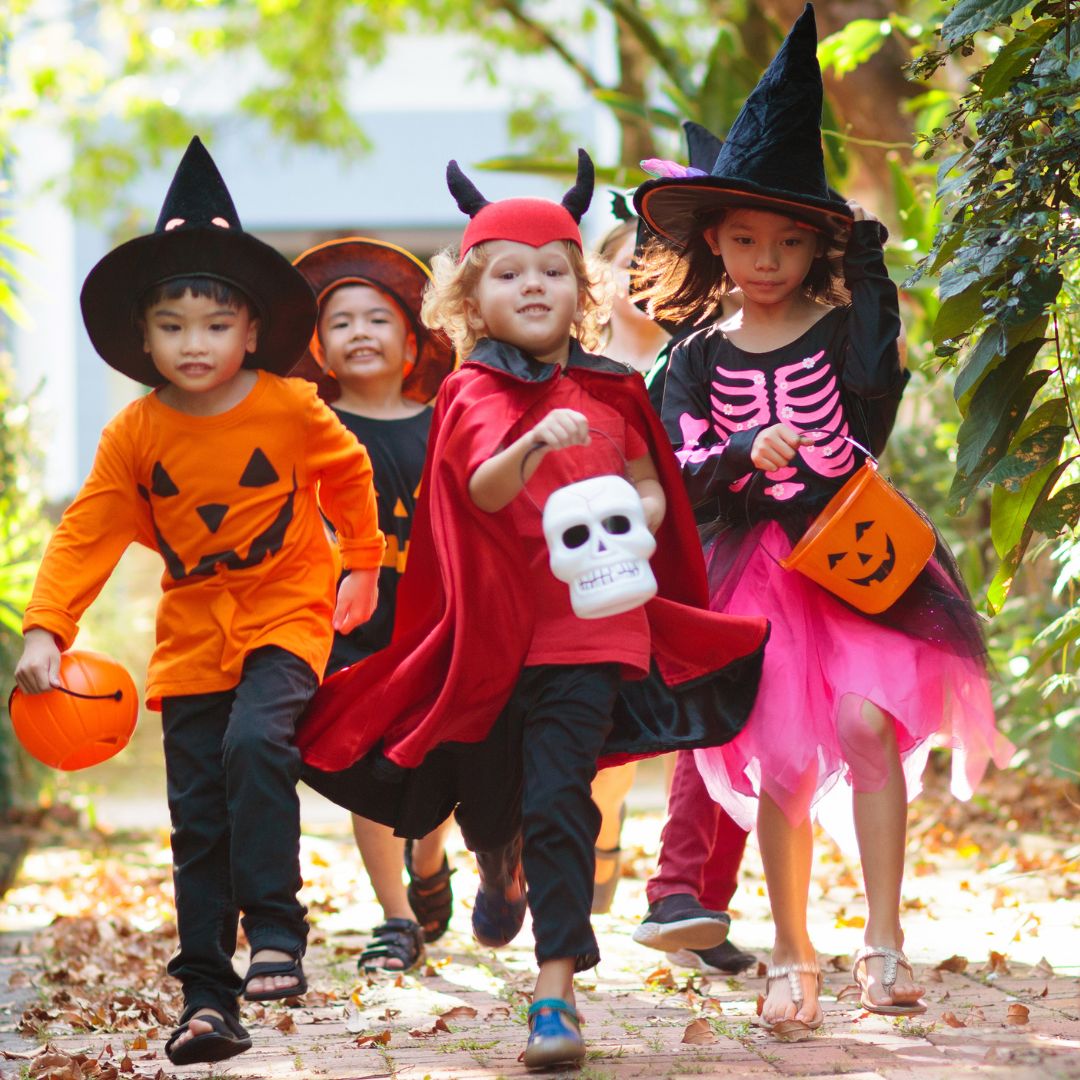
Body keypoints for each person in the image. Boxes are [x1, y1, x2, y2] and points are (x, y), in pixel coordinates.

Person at [294, 150, 770, 1069]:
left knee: (562, 799)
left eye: (554, 266)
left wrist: (645, 518)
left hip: (593, 628)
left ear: (581, 285)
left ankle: (554, 995)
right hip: (492, 634)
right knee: (494, 800)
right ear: (473, 297)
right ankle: (494, 859)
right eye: (509, 271)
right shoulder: (473, 389)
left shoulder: (615, 388)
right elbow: (476, 489)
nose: (535, 284)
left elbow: (651, 487)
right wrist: (533, 442)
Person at [635, 3, 1013, 1036]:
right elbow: (675, 467)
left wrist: (876, 280)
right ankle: (793, 956)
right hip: (757, 572)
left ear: (815, 247)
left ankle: (881, 945)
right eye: (745, 239)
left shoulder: (846, 327)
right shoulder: (697, 353)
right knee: (786, 761)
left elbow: (871, 422)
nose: (764, 259)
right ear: (715, 240)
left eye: (788, 241)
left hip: (855, 554)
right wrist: (734, 462)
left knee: (863, 727)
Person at [13, 138, 386, 1067]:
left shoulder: (293, 409)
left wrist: (364, 564)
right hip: (190, 631)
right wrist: (46, 627)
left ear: (251, 332)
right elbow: (88, 531)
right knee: (198, 810)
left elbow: (347, 477)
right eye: (173, 326)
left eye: (215, 325)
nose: (194, 343)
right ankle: (208, 1000)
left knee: (257, 742)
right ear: (144, 338)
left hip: (288, 607)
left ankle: (275, 928)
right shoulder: (135, 432)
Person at [591, 136, 757, 977]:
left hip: (703, 558)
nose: (651, 274)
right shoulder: (580, 371)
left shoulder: (712, 360)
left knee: (718, 715)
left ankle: (692, 895)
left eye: (670, 257)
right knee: (591, 740)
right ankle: (579, 851)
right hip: (599, 574)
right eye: (633, 260)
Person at [291, 237, 456, 972]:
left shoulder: (447, 419)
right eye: (341, 322)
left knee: (442, 760)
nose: (359, 332)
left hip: (437, 619)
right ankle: (396, 917)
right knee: (368, 764)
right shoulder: (308, 430)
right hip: (351, 626)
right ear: (319, 349)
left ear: (414, 339)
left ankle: (429, 857)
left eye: (378, 318)